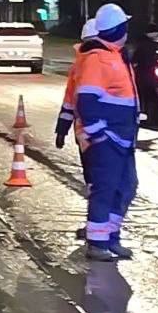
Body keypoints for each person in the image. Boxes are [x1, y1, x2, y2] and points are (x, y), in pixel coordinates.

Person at [75, 4, 140, 261]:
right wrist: (99, 134)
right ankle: (97, 243)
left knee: (126, 186)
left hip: (123, 138)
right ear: (118, 29)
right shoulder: (97, 59)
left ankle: (110, 237)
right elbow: (86, 101)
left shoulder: (115, 55)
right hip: (109, 140)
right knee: (106, 188)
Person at [56, 19, 99, 240]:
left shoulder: (80, 65)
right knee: (101, 185)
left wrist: (62, 129)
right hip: (100, 136)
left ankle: (99, 228)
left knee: (95, 183)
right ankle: (99, 231)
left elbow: (69, 102)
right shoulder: (100, 64)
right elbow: (72, 101)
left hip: (86, 135)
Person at [131, 23, 158, 121]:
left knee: (147, 96)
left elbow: (135, 60)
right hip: (149, 75)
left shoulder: (142, 44)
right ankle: (153, 116)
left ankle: (149, 114)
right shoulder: (154, 45)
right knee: (151, 96)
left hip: (143, 74)